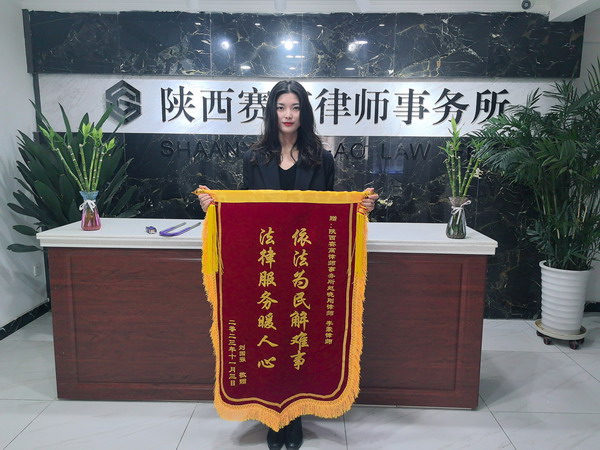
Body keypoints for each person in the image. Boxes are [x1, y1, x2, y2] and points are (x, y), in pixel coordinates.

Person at [198, 79, 378, 450]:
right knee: (267, 337)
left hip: (304, 265)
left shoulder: (321, 158)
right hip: (264, 265)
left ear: (304, 112)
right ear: (272, 111)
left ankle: (294, 417)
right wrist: (215, 208)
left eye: (295, 107)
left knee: (300, 337)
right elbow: (246, 211)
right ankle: (271, 416)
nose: (288, 114)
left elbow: (329, 212)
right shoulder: (254, 157)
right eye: (281, 107)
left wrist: (359, 209)